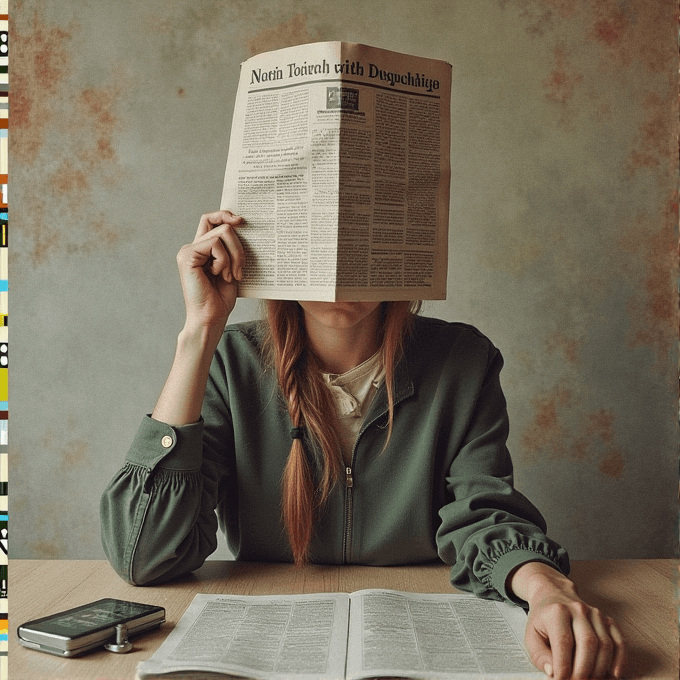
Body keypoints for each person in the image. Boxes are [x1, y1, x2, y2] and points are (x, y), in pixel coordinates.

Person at [101, 210, 626, 679]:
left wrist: (545, 588)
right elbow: (144, 555)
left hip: (420, 634)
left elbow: (483, 514)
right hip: (273, 645)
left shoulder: (464, 360)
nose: (338, 266)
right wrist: (200, 331)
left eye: (361, 232)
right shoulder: (230, 364)